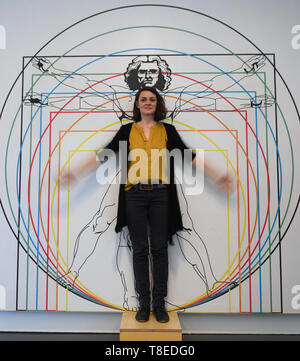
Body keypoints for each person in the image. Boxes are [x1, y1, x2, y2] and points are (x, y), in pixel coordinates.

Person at [60, 86, 233, 323]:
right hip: (134, 196)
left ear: (157, 104)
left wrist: (216, 176)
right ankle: (144, 304)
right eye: (144, 99)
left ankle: (159, 305)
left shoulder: (168, 131)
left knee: (160, 249)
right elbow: (104, 154)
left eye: (152, 99)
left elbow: (189, 155)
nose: (148, 102)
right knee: (140, 250)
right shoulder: (126, 130)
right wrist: (76, 173)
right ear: (137, 104)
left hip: (162, 196)